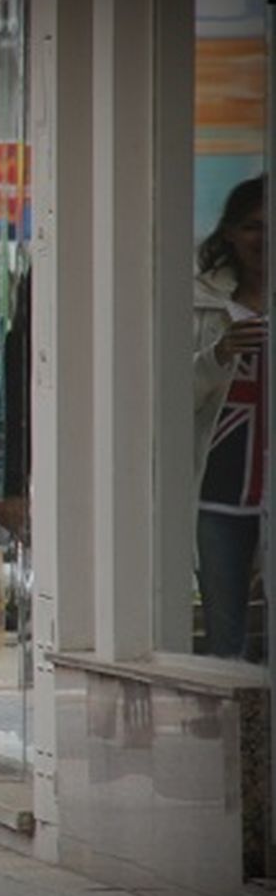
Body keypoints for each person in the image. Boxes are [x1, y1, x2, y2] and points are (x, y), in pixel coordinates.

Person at [193, 176, 267, 660]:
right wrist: (218, 354)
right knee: (227, 640)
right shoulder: (205, 304)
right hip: (220, 495)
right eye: (252, 226)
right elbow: (170, 395)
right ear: (231, 234)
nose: (263, 239)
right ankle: (234, 736)